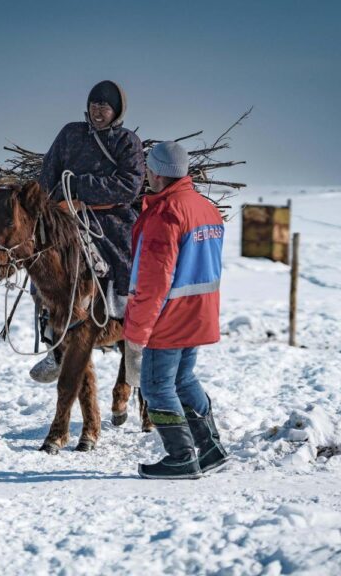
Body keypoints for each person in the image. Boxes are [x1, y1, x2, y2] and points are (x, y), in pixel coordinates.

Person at [124, 141, 229, 479]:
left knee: (156, 386)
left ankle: (181, 456)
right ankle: (210, 448)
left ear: (154, 172)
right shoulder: (205, 208)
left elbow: (154, 280)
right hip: (200, 311)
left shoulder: (166, 213)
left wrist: (137, 329)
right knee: (183, 379)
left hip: (170, 315)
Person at [29, 80, 146, 382]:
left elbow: (128, 187)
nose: (98, 110)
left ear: (117, 110)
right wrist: (55, 202)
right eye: (94, 103)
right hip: (67, 215)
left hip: (113, 218)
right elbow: (48, 173)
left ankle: (133, 341)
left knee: (128, 266)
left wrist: (81, 187)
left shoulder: (127, 142)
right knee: (42, 268)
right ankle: (53, 346)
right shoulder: (70, 134)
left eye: (104, 105)